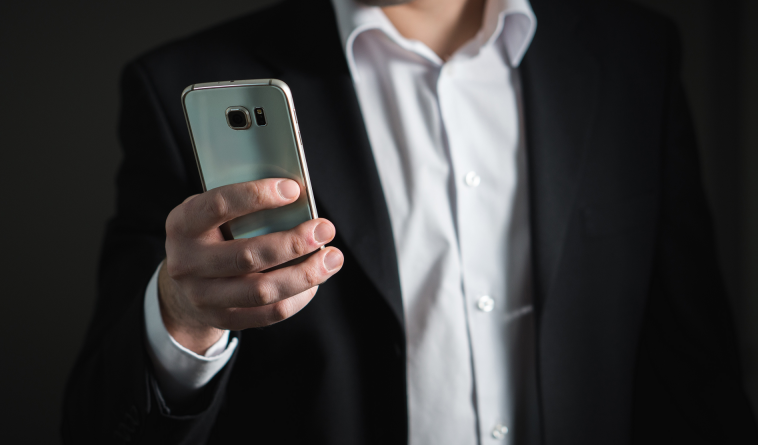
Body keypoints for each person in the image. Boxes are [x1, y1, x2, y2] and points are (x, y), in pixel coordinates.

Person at [62, 0, 758, 443]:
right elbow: (103, 427)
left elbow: (694, 365)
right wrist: (182, 319)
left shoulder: (635, 53)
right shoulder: (184, 82)